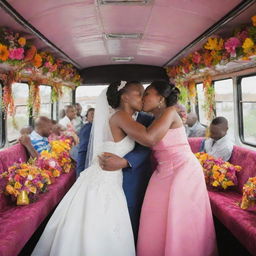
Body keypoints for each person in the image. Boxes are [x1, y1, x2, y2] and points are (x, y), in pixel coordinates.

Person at [32, 81, 152, 256]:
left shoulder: (117, 117)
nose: (143, 98)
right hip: (106, 180)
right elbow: (149, 139)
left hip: (107, 178)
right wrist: (169, 115)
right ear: (125, 97)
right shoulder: (121, 117)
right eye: (139, 94)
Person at [76, 108, 95, 177]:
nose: (94, 115)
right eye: (92, 114)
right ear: (87, 117)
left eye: (95, 113)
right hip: (84, 156)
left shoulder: (94, 127)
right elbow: (83, 148)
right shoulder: (87, 127)